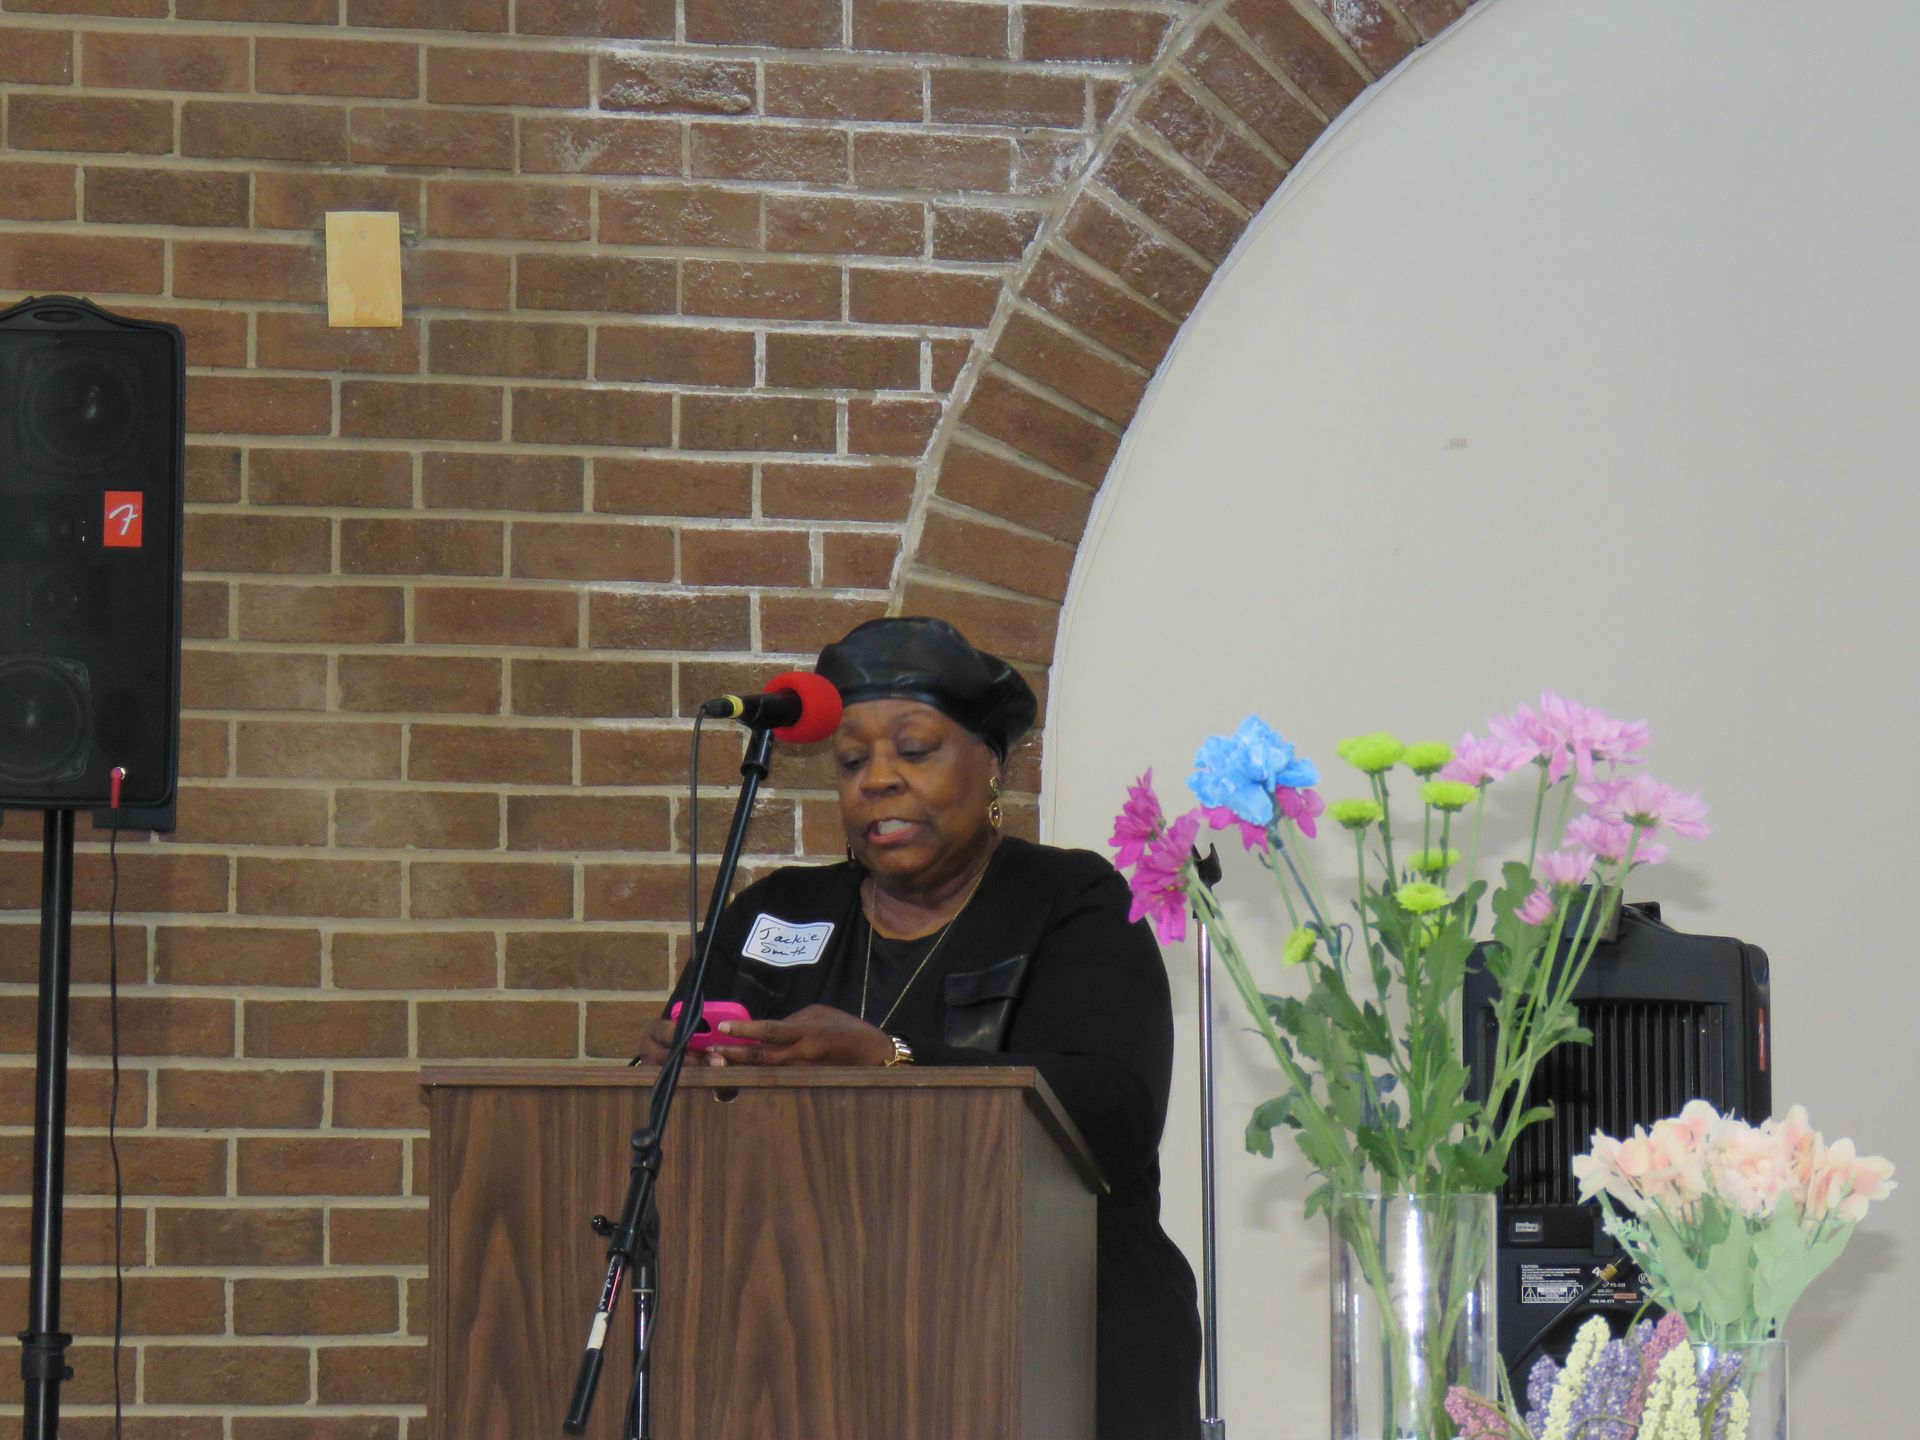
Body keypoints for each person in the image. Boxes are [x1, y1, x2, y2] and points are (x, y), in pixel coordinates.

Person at [639, 615, 1203, 1440]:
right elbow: (655, 1134)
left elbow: (1111, 1111)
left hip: (1058, 1340)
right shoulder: (776, 913)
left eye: (916, 748)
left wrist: (889, 1058)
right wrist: (663, 1070)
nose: (879, 779)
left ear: (991, 765)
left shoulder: (1071, 903)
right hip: (810, 1348)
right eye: (853, 760)